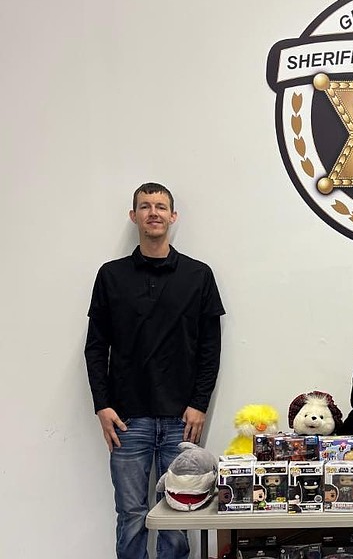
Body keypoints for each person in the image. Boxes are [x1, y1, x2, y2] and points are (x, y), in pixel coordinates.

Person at [84, 182, 225, 559]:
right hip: (127, 420)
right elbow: (96, 346)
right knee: (131, 514)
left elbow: (211, 349)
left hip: (182, 418)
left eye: (161, 206)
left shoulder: (198, 275)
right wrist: (102, 404)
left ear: (173, 216)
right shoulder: (111, 276)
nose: (153, 212)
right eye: (145, 206)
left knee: (179, 515)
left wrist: (199, 403)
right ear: (134, 217)